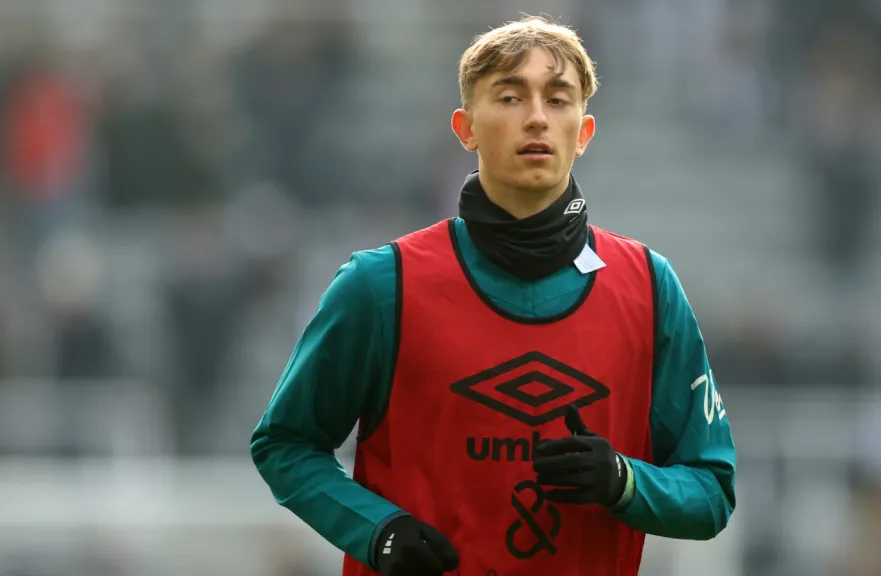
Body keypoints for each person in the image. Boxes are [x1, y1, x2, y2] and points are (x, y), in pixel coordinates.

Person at [251, 15, 737, 576]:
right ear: (466, 129)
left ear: (583, 132)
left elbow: (712, 491)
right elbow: (285, 444)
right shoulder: (381, 284)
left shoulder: (649, 287)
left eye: (558, 99)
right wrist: (377, 531)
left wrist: (624, 482)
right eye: (510, 97)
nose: (536, 117)